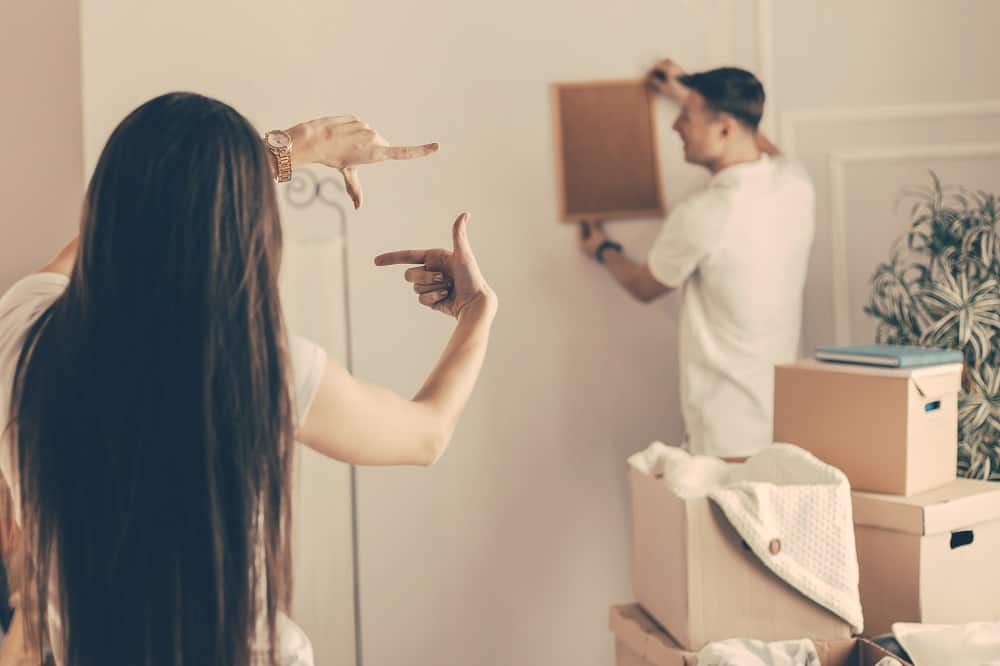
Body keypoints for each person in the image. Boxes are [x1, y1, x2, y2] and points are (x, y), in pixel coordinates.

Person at [0, 92, 497, 666]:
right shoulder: (261, 368)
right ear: (249, 229)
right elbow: (427, 433)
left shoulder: (24, 338)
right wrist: (477, 311)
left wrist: (288, 150)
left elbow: (98, 243)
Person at [578, 59, 814, 459]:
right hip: (782, 422)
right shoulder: (795, 183)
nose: (676, 126)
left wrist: (602, 248)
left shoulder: (705, 213)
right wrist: (686, 95)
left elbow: (643, 286)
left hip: (725, 431)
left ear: (725, 129)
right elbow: (762, 146)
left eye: (686, 116)